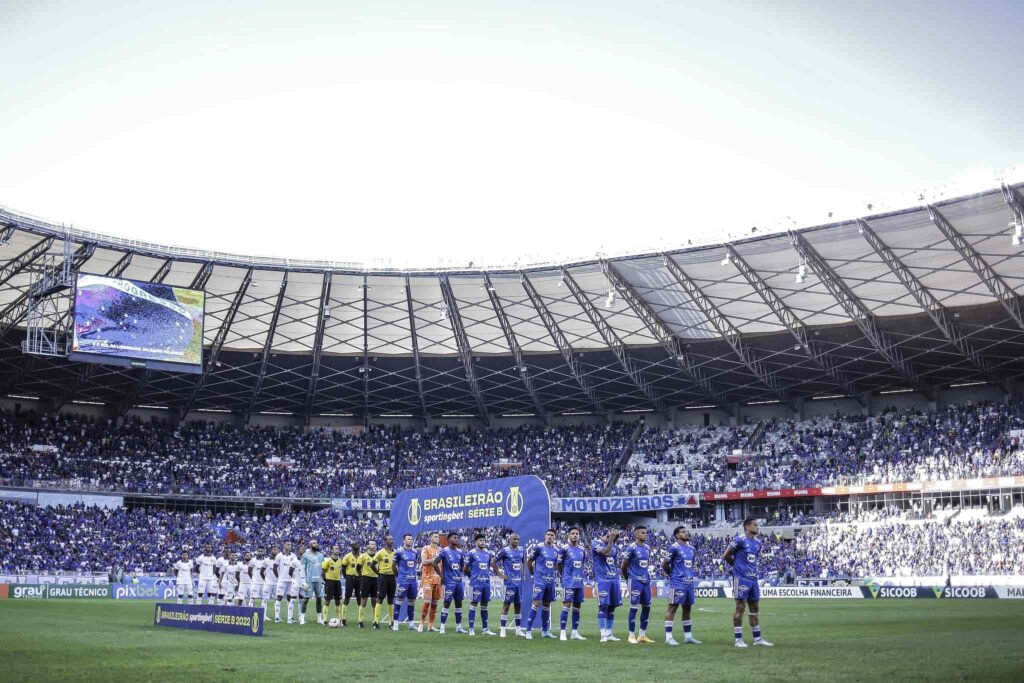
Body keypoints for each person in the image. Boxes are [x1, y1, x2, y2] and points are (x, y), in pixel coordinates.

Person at [724, 517, 773, 648]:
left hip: (753, 579)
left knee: (754, 609)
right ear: (747, 527)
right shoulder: (739, 539)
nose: (757, 527)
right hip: (741, 578)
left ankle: (758, 639)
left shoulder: (758, 543)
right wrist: (736, 567)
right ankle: (738, 640)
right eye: (755, 525)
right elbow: (726, 555)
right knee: (740, 607)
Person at [662, 526, 700, 645]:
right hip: (677, 583)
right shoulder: (673, 548)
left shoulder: (692, 549)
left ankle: (688, 637)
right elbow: (664, 564)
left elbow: (690, 566)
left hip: (689, 583)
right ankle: (668, 638)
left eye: (686, 531)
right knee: (672, 608)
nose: (686, 533)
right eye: (683, 532)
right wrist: (673, 575)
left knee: (687, 609)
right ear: (677, 535)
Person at [524, 528, 559, 640]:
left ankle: (545, 631)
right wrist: (533, 575)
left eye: (552, 535)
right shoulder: (538, 547)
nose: (550, 536)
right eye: (548, 534)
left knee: (547, 605)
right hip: (540, 581)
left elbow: (556, 565)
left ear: (555, 537)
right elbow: (529, 561)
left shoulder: (556, 550)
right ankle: (528, 631)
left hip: (550, 581)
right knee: (536, 603)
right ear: (545, 536)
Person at [621, 526, 654, 644]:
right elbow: (623, 566)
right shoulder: (631, 548)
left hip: (646, 581)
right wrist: (629, 578)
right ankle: (631, 635)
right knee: (634, 608)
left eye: (646, 533)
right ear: (636, 535)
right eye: (642, 533)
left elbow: (645, 564)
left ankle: (642, 635)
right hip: (635, 581)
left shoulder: (647, 548)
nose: (645, 535)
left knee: (647, 607)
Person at [433, 532, 467, 635]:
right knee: (447, 603)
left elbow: (462, 566)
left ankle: (459, 627)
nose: (456, 539)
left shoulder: (460, 552)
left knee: (459, 603)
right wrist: (441, 576)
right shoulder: (444, 551)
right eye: (454, 537)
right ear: (449, 539)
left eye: (457, 537)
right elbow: (434, 563)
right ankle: (442, 627)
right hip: (449, 582)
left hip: (459, 582)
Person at [492, 532, 525, 638]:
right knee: (506, 605)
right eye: (514, 539)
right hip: (510, 583)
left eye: (517, 539)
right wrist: (500, 574)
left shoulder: (521, 550)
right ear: (509, 540)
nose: (516, 541)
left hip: (519, 583)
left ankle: (518, 630)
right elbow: (493, 562)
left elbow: (523, 562)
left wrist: (523, 574)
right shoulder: (504, 551)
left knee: (518, 605)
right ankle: (502, 630)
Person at [591, 527, 622, 642]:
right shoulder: (595, 543)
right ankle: (603, 634)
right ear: (606, 535)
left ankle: (609, 634)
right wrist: (611, 540)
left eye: (616, 537)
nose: (614, 539)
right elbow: (605, 552)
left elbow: (613, 562)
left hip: (614, 579)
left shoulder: (614, 546)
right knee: (603, 606)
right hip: (602, 580)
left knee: (612, 607)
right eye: (612, 537)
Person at [557, 526, 586, 641]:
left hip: (579, 582)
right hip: (569, 582)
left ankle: (574, 632)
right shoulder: (564, 549)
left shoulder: (582, 550)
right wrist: (564, 577)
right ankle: (562, 632)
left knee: (577, 606)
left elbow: (582, 564)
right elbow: (559, 565)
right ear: (568, 535)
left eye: (577, 534)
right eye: (573, 533)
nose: (575, 535)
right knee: (567, 605)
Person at [465, 533, 495, 636]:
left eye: (483, 540)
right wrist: (472, 577)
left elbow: (487, 567)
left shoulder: (488, 553)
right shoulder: (471, 553)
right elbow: (465, 568)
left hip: (486, 583)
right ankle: (471, 629)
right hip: (476, 583)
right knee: (474, 604)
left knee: (485, 605)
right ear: (476, 542)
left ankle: (485, 629)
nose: (482, 542)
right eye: (480, 540)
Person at [392, 534, 419, 631]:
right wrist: (398, 575)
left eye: (411, 539)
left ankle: (411, 623)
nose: (410, 541)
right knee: (399, 601)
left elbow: (415, 563)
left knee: (412, 602)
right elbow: (393, 565)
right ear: (404, 541)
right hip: (402, 580)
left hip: (413, 581)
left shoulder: (415, 552)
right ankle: (395, 623)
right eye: (408, 539)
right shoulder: (399, 552)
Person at [371, 534, 396, 630]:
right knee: (380, 598)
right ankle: (376, 622)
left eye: (392, 539)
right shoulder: (380, 552)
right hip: (383, 577)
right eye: (389, 539)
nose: (391, 541)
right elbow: (372, 565)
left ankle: (391, 622)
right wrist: (379, 573)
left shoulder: (395, 552)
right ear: (385, 541)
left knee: (390, 599)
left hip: (392, 577)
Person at [418, 532, 442, 632]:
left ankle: (430, 625)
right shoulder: (426, 548)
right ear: (430, 538)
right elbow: (424, 562)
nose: (437, 538)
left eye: (438, 537)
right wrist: (434, 560)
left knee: (435, 603)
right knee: (427, 601)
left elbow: (442, 565)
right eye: (435, 537)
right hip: (427, 578)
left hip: (438, 579)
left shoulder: (441, 550)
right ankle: (421, 623)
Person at [356, 540, 379, 628]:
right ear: (368, 546)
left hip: (375, 579)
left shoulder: (378, 555)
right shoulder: (362, 556)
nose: (374, 545)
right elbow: (358, 568)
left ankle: (375, 621)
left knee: (375, 600)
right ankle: (360, 621)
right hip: (366, 579)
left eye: (375, 544)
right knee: (364, 600)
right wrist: (362, 577)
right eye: (372, 544)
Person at [302, 541, 326, 625]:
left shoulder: (321, 555)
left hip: (318, 580)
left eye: (317, 543)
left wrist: (323, 580)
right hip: (309, 580)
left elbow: (323, 568)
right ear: (310, 545)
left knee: (319, 599)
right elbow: (302, 568)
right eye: (314, 543)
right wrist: (303, 580)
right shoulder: (305, 555)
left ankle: (319, 619)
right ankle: (302, 618)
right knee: (306, 599)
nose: (316, 544)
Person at [274, 541, 297, 624]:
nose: (289, 546)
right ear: (284, 545)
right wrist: (279, 577)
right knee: (279, 597)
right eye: (288, 544)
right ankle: (277, 617)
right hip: (282, 580)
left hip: (290, 581)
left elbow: (295, 567)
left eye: (290, 544)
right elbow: (274, 568)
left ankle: (290, 618)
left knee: (290, 598)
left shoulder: (293, 556)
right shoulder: (279, 556)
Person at [340, 542, 362, 626]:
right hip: (350, 578)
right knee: (347, 597)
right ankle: (343, 619)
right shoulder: (347, 556)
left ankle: (359, 620)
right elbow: (343, 568)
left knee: (359, 598)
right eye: (355, 545)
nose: (358, 546)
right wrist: (347, 577)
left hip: (359, 578)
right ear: (352, 547)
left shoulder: (362, 555)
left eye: (358, 544)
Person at [322, 545, 344, 625]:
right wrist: (326, 581)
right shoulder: (327, 561)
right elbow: (323, 573)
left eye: (338, 548)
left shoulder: (340, 561)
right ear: (332, 550)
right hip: (329, 582)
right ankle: (324, 620)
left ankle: (339, 619)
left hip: (337, 582)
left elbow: (340, 572)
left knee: (338, 601)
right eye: (335, 549)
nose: (337, 550)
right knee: (327, 601)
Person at [288, 544, 309, 625]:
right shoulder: (294, 561)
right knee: (292, 599)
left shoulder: (306, 561)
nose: (303, 550)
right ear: (298, 551)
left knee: (301, 600)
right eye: (301, 549)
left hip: (303, 583)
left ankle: (301, 618)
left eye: (304, 549)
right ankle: (289, 618)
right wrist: (294, 580)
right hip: (296, 583)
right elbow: (290, 572)